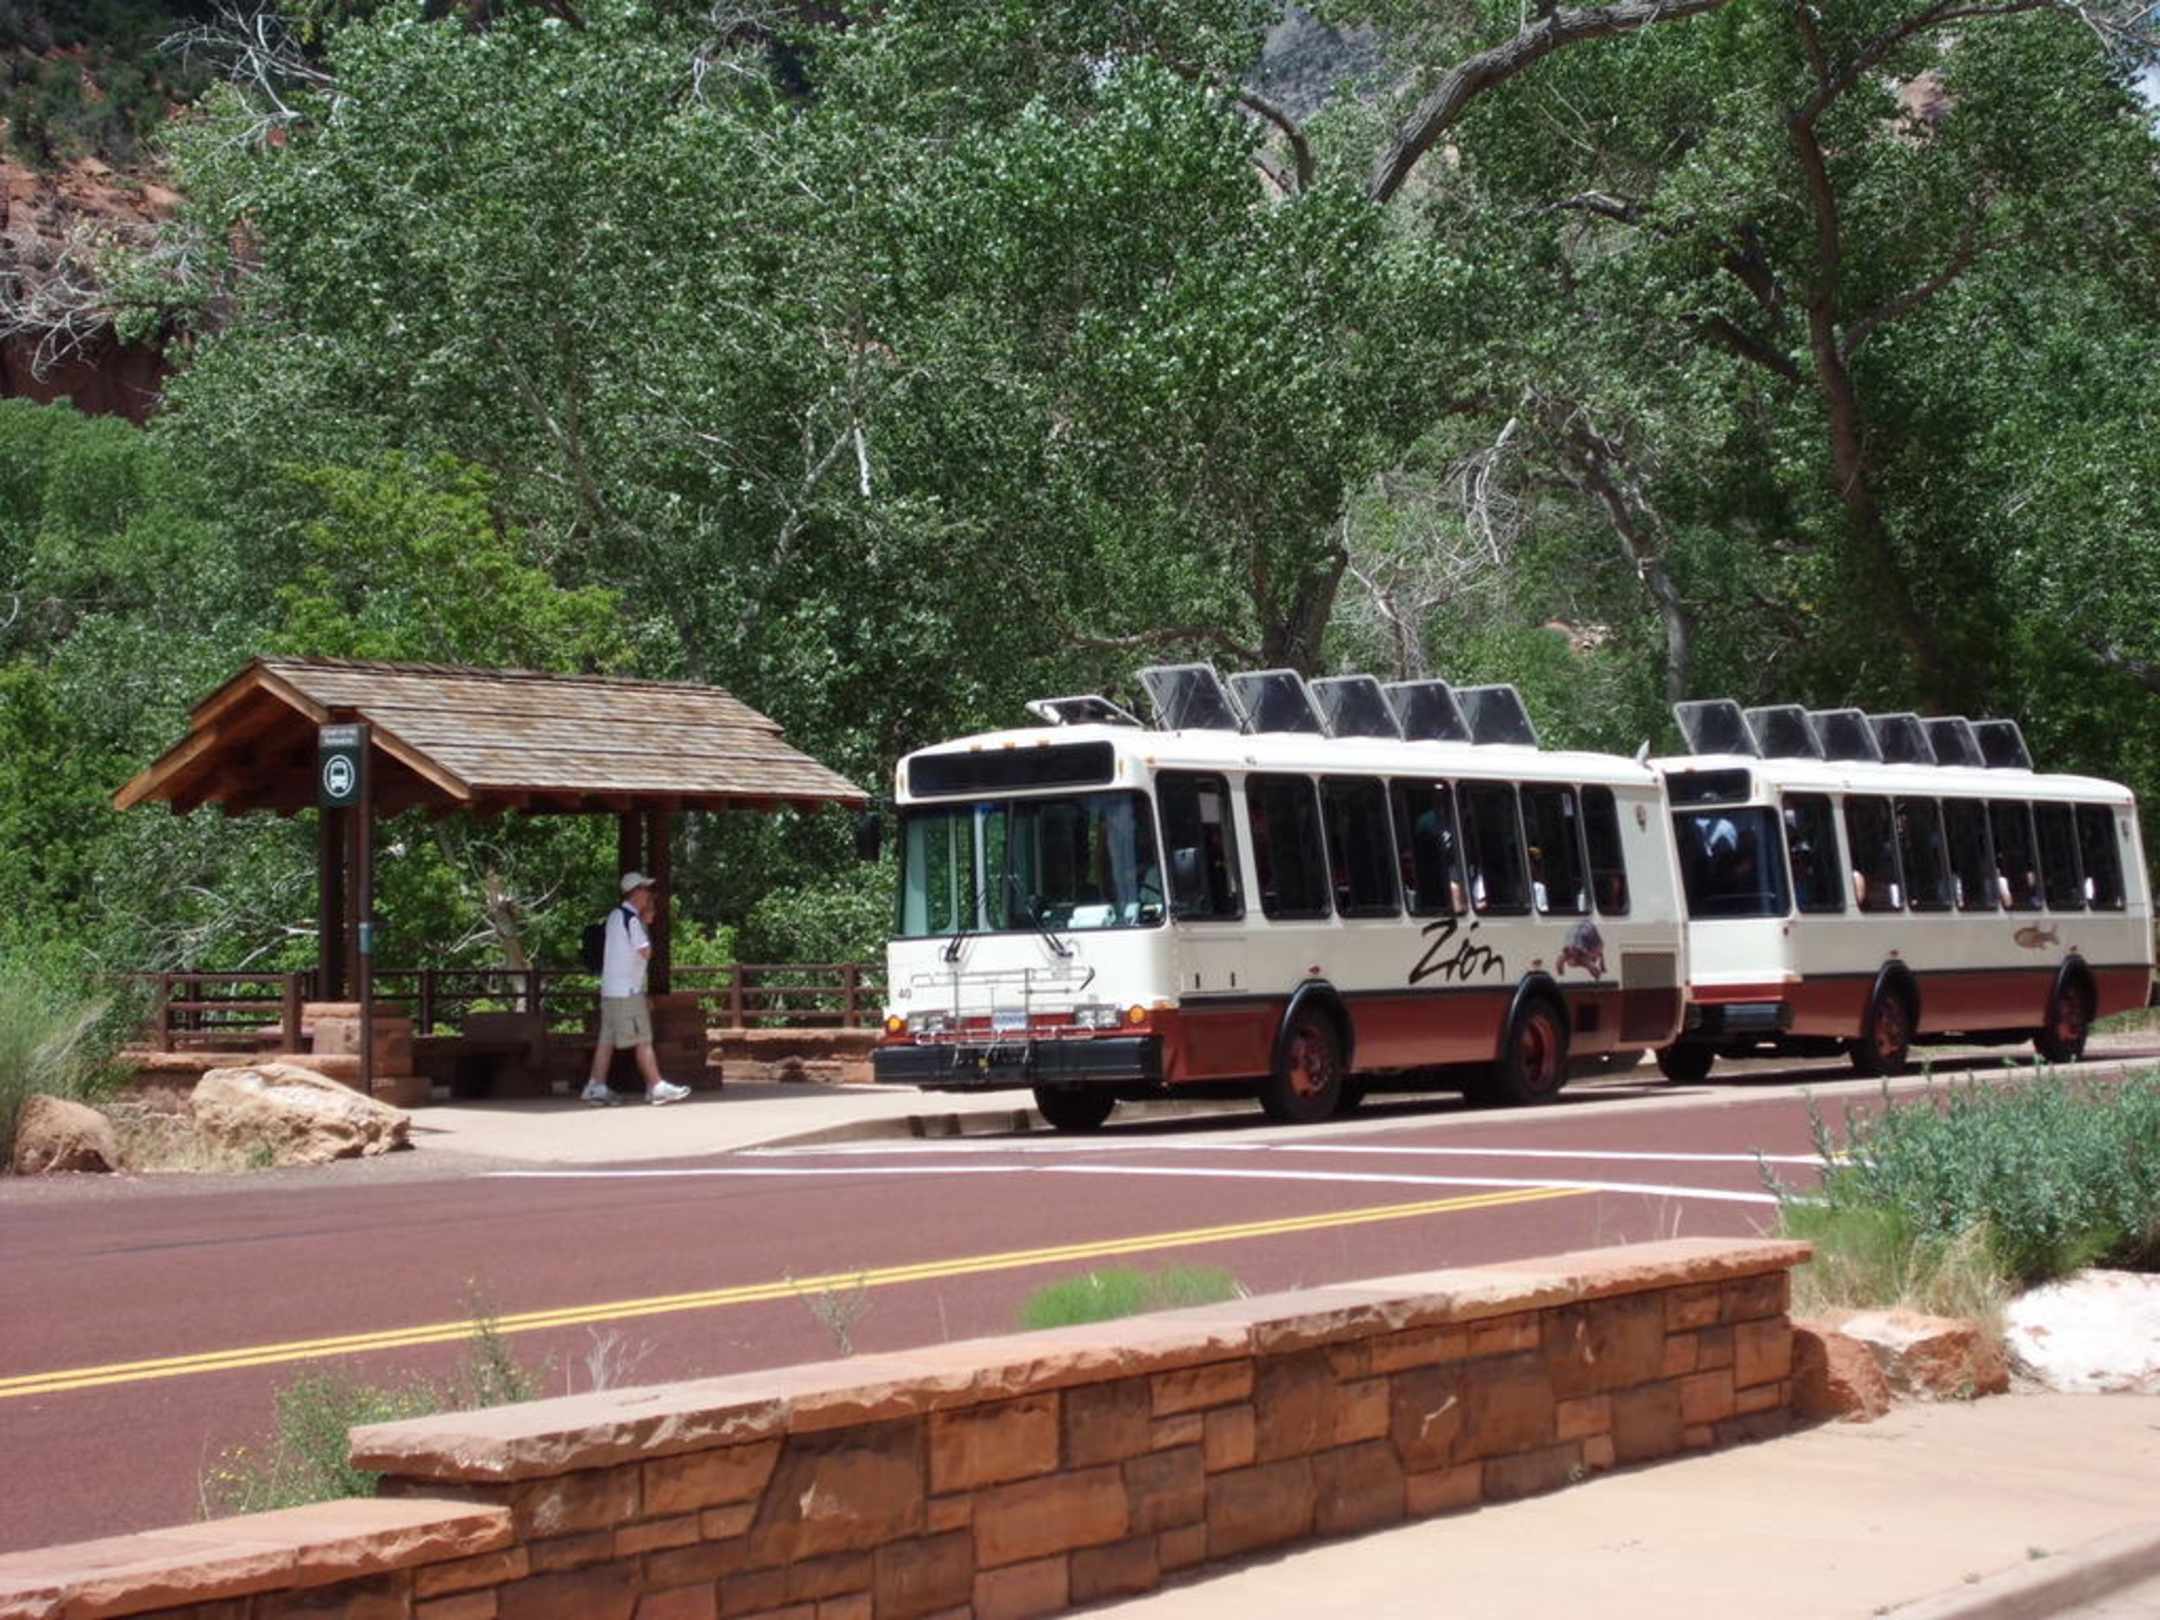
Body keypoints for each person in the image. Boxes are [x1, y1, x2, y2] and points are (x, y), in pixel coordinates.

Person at [584, 872, 691, 1107]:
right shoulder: (632, 920)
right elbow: (645, 951)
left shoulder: (614, 916)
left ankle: (596, 1085)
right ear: (636, 892)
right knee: (643, 1038)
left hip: (610, 990)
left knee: (606, 1040)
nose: (648, 894)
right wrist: (645, 928)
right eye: (645, 889)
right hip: (628, 991)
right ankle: (656, 1086)